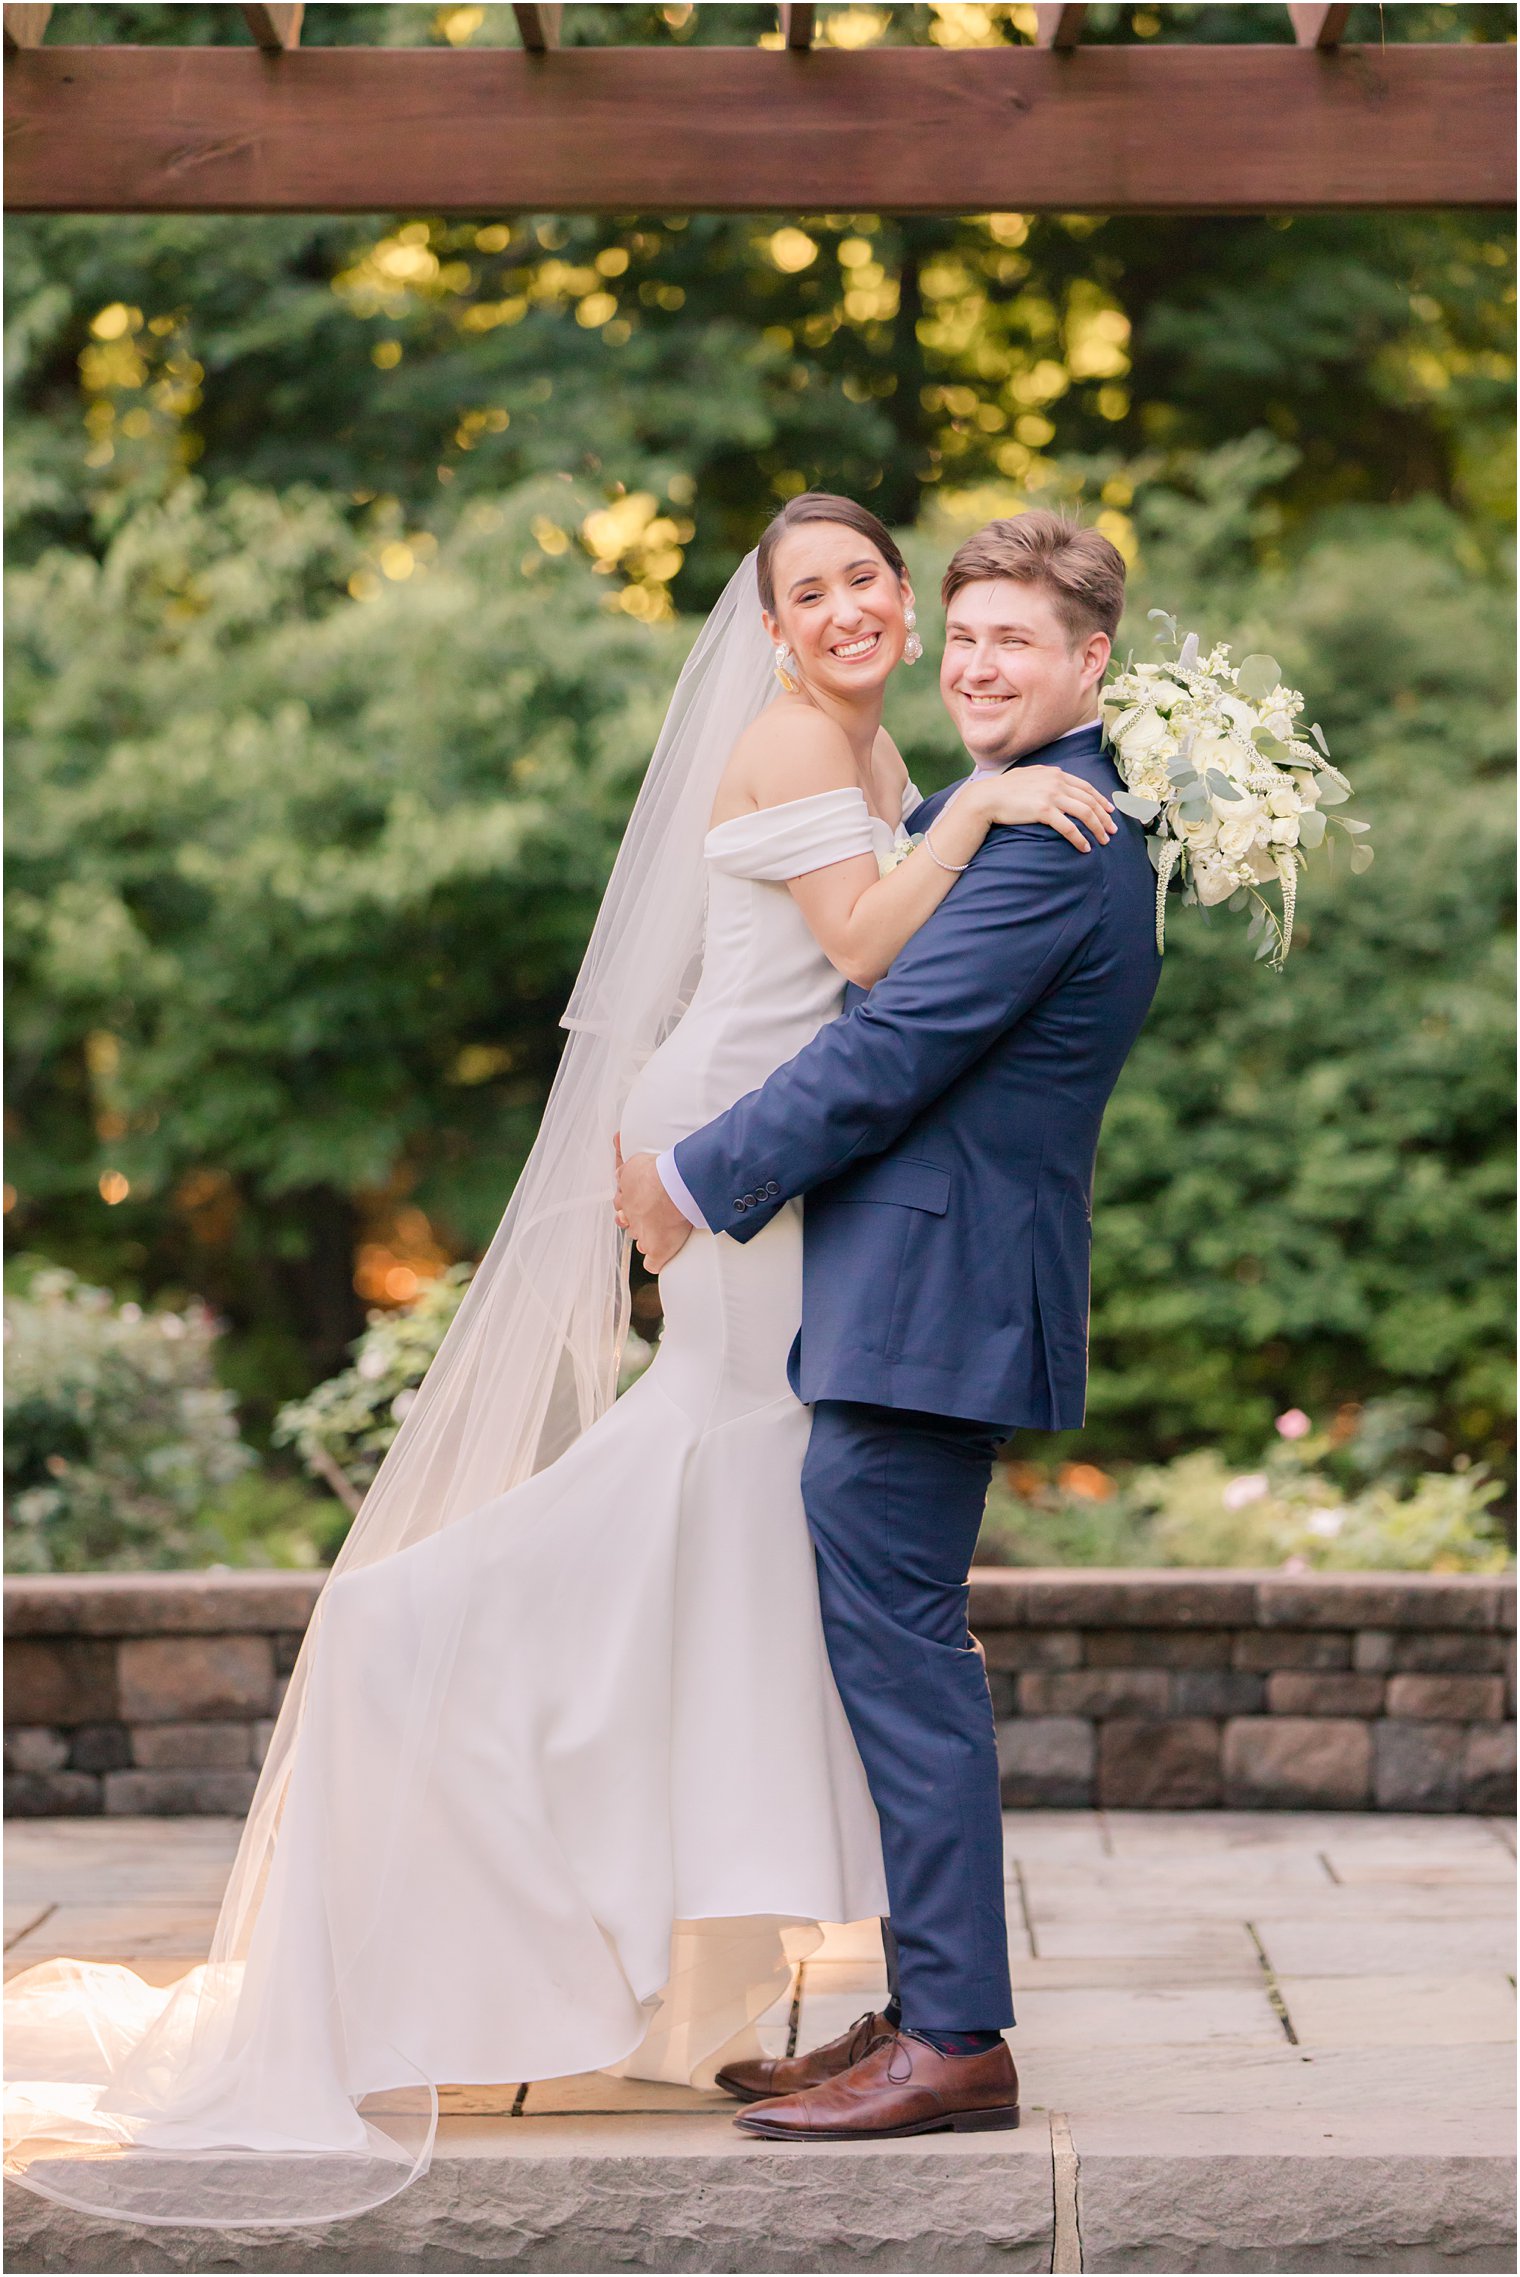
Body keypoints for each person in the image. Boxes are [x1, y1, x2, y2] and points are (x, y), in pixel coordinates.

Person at [2, 496, 1113, 2228]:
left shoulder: (897, 748)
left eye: (870, 583)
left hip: (763, 1168)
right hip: (735, 1158)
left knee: (775, 1546)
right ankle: (547, 1763)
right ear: (765, 627)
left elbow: (897, 1010)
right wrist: (965, 812)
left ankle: (838, 1979)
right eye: (809, 591)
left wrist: (958, 800)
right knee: (732, 1509)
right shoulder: (832, 749)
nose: (856, 613)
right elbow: (866, 968)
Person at [618, 508, 1162, 2142]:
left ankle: (958, 2041)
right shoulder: (1008, 812)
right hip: (914, 1283)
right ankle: (921, 2008)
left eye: (1022, 641)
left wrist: (697, 1181)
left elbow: (885, 1048)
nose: (987, 663)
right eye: (974, 634)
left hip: (932, 1296)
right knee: (884, 1650)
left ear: (1091, 663)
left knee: (907, 1661)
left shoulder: (1052, 846)